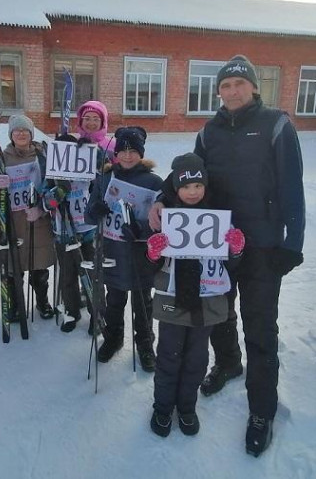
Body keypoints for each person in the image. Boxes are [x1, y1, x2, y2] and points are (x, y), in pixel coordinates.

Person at [149, 55, 305, 456]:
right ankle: (229, 363)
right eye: (225, 86)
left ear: (254, 87)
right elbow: (188, 178)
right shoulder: (209, 131)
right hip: (213, 244)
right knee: (217, 314)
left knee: (260, 326)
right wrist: (160, 202)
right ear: (218, 92)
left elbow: (293, 188)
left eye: (239, 83)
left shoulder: (276, 125)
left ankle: (261, 411)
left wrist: (292, 243)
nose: (232, 91)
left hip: (263, 246)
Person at [145, 153, 246, 437]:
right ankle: (162, 407)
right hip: (172, 301)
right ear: (175, 187)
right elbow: (150, 264)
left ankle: (187, 407)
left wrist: (235, 249)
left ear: (205, 186)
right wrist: (153, 251)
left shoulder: (218, 216)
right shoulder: (165, 216)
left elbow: (230, 262)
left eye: (198, 186)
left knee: (196, 360)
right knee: (168, 357)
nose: (192, 192)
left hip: (208, 303)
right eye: (186, 187)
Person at [85, 126, 163, 372]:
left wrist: (141, 229)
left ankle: (145, 344)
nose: (128, 156)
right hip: (112, 250)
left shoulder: (153, 181)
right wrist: (95, 210)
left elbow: (162, 222)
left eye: (133, 151)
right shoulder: (105, 177)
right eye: (123, 151)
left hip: (140, 254)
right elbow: (89, 215)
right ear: (115, 152)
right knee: (115, 300)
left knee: (143, 304)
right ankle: (113, 338)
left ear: (141, 153)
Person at [43, 100, 113, 333]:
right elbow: (46, 199)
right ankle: (71, 312)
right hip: (63, 230)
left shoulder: (88, 165)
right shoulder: (53, 173)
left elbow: (102, 185)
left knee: (94, 274)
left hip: (88, 229)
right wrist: (55, 195)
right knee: (68, 276)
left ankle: (97, 314)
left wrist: (99, 174)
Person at [0, 114, 56, 320]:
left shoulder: (43, 156)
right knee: (13, 269)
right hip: (10, 222)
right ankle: (15, 304)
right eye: (17, 130)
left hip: (37, 220)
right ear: (11, 134)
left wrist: (42, 208)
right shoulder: (1, 158)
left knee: (39, 267)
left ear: (31, 133)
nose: (21, 133)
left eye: (25, 130)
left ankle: (42, 301)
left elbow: (54, 185)